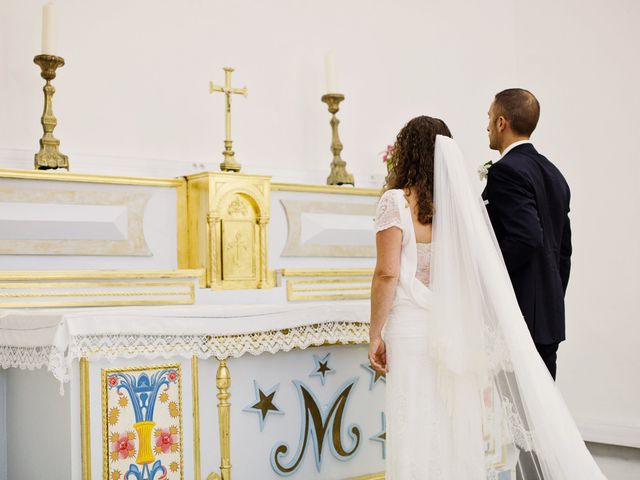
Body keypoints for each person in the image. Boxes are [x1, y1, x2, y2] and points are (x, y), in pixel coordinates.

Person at [368, 116, 605, 479]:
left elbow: (387, 273)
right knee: (452, 423)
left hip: (412, 331)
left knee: (414, 421)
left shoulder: (395, 201)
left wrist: (374, 333)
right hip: (452, 329)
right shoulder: (459, 207)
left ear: (405, 152)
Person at [484, 88, 571, 379]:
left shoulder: (506, 172)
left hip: (519, 315)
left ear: (501, 122)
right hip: (548, 315)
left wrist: (491, 276)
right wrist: (551, 296)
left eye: (488, 117)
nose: (486, 126)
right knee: (542, 414)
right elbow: (564, 251)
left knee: (517, 416)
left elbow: (527, 238)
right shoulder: (554, 174)